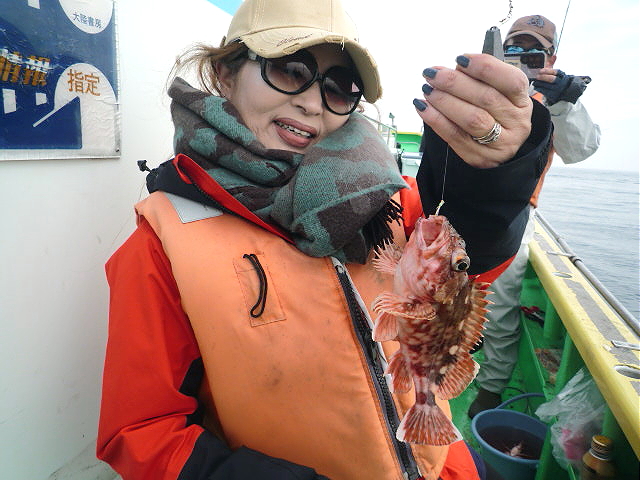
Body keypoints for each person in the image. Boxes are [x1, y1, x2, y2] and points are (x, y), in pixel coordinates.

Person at [96, 1, 552, 479]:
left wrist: (495, 177)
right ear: (226, 73)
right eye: (291, 70)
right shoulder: (162, 243)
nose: (313, 104)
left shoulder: (390, 197)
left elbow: (471, 260)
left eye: (339, 87)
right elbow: (141, 432)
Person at [468, 14, 601, 418]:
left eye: (534, 52)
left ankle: (491, 387)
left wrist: (564, 101)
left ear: (551, 58)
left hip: (514, 214)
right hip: (463, 204)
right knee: (438, 289)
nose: (523, 58)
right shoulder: (480, 86)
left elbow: (581, 149)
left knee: (500, 302)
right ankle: (442, 359)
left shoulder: (556, 101)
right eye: (514, 48)